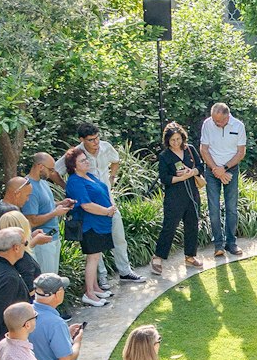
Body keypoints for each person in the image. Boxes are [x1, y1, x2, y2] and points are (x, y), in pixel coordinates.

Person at [78, 123, 144, 287]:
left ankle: (125, 271)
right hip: (92, 205)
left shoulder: (106, 147)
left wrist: (112, 177)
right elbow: (57, 170)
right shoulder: (77, 154)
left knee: (119, 237)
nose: (95, 142)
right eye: (91, 140)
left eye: (97, 138)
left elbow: (116, 160)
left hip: (109, 200)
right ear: (82, 140)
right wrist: (72, 190)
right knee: (96, 245)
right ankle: (102, 278)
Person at [62, 145, 116, 308]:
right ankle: (89, 293)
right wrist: (106, 211)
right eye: (82, 160)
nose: (87, 162)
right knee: (92, 258)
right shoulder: (75, 181)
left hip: (101, 223)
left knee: (96, 256)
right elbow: (86, 205)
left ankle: (95, 288)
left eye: (86, 159)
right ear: (73, 165)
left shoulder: (89, 176)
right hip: (89, 225)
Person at [151, 122, 205, 274]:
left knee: (193, 224)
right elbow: (164, 179)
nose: (176, 143)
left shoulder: (190, 150)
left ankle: (190, 255)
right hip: (174, 196)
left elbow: (201, 167)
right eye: (172, 140)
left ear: (183, 137)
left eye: (178, 139)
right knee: (170, 226)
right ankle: (158, 257)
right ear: (167, 140)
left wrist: (192, 172)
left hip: (192, 194)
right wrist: (180, 178)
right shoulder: (165, 156)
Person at [198, 101, 247, 258]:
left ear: (228, 116)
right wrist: (215, 170)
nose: (216, 123)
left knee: (231, 207)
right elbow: (203, 149)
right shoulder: (207, 124)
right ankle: (218, 244)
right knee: (213, 208)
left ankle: (231, 243)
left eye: (219, 121)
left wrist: (224, 169)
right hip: (212, 169)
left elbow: (241, 153)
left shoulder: (238, 126)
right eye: (214, 120)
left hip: (230, 169)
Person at [13, 152, 68, 275]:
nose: (52, 173)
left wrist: (61, 203)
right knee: (47, 281)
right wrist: (54, 213)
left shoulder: (43, 182)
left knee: (54, 278)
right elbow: (31, 221)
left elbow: (46, 205)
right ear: (40, 167)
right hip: (42, 243)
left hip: (53, 238)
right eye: (51, 169)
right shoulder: (29, 188)